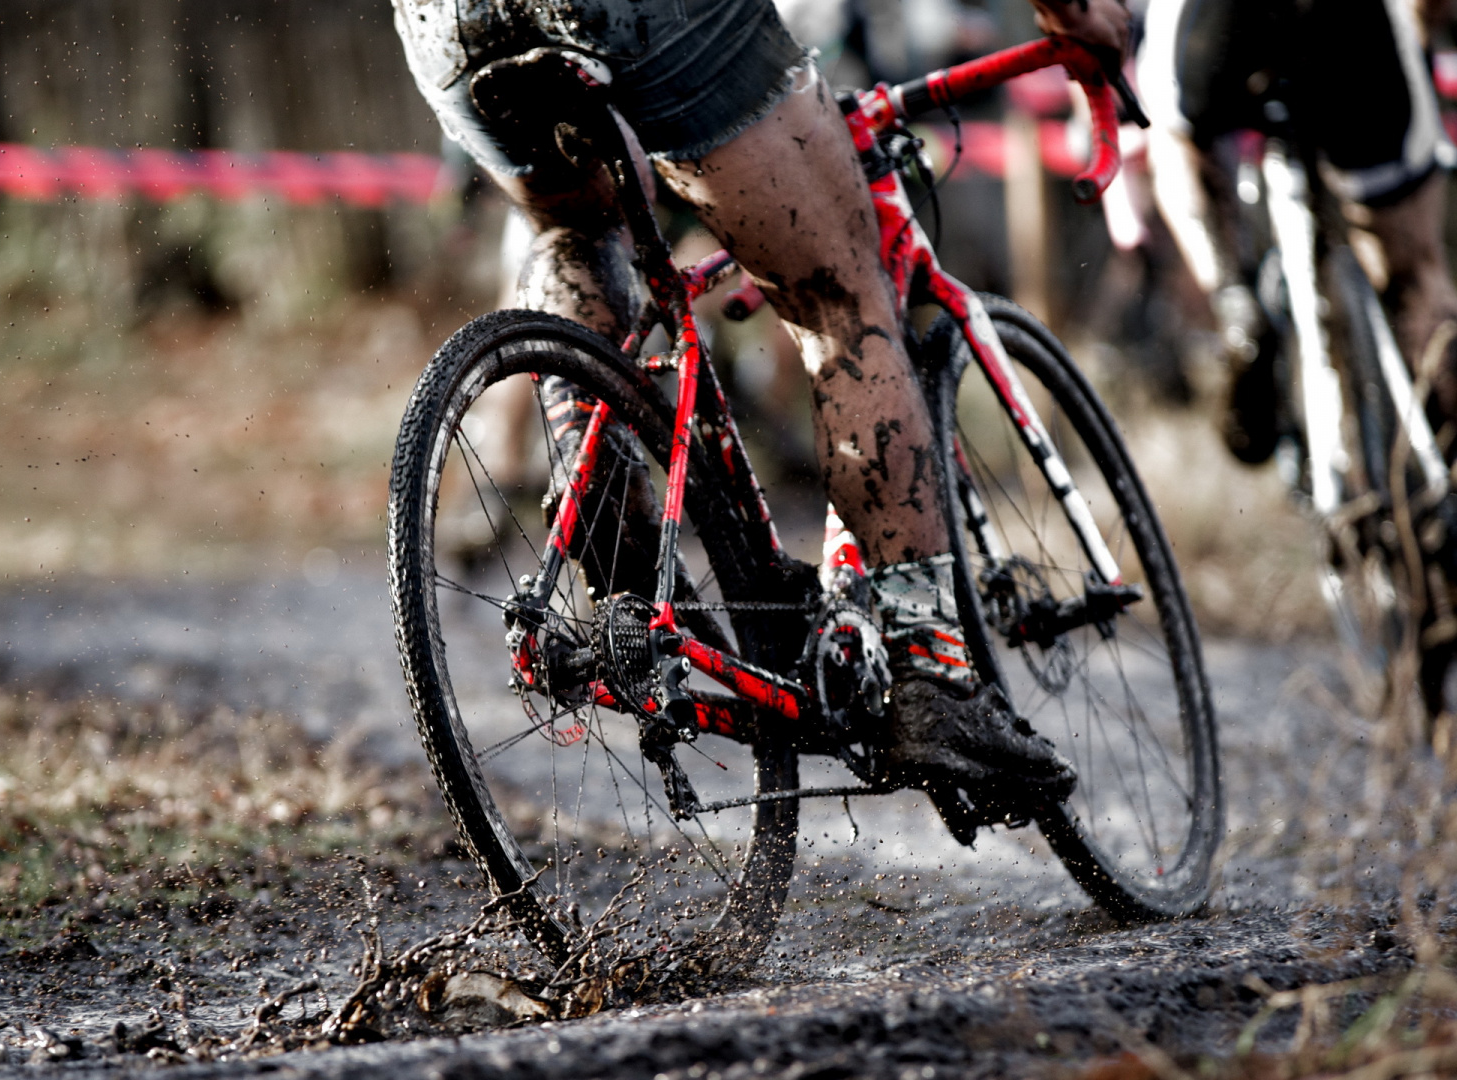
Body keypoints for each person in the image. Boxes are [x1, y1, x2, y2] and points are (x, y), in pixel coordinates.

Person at [389, 0, 1131, 831]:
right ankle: (931, 675)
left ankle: (613, 541)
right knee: (839, 293)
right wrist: (1075, 15)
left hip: (450, 20)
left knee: (573, 227)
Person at [1136, 0, 1457, 708]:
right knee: (1417, 274)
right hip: (1348, 24)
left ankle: (1234, 307)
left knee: (1175, 142)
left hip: (1216, 23)